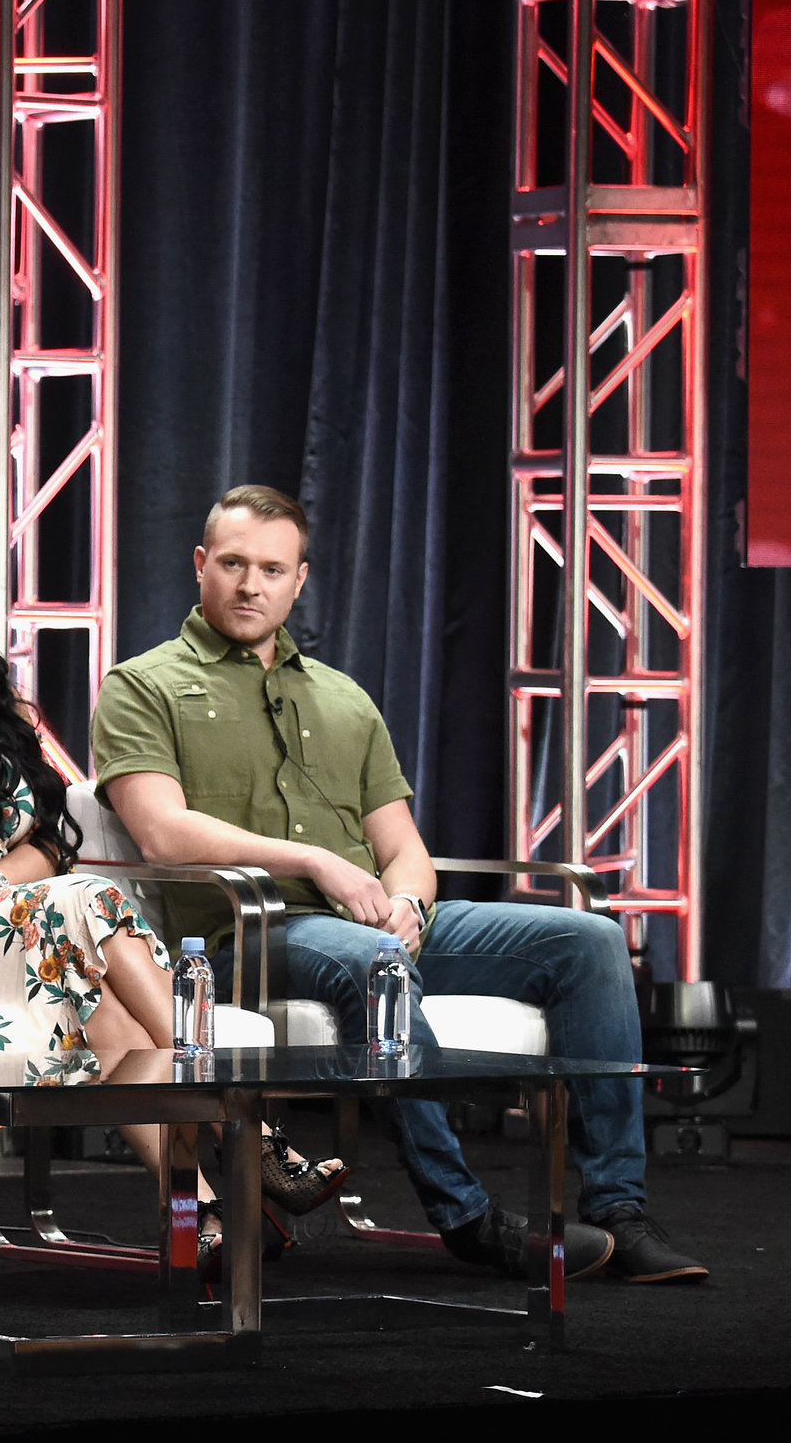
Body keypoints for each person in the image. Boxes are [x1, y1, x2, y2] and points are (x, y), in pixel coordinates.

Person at [91, 483, 708, 1285]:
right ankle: (467, 1216)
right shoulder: (143, 684)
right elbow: (161, 831)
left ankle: (619, 1208)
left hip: (371, 920)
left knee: (587, 940)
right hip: (248, 933)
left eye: (272, 570)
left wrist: (411, 902)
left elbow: (403, 848)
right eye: (234, 564)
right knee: (371, 960)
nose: (250, 585)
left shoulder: (341, 697)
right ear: (201, 564)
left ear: (299, 580)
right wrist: (314, 861)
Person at [0, 491, 345, 1268]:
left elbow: (49, 842)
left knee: (101, 996)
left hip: (7, 922)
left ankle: (201, 1215)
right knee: (87, 912)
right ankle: (254, 1138)